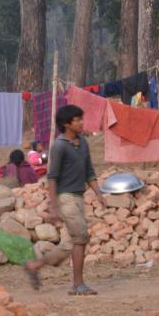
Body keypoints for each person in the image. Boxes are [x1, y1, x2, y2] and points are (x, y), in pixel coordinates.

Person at [23, 105, 100, 295]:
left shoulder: (82, 143)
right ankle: (78, 285)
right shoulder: (59, 146)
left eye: (82, 119)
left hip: (78, 197)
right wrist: (54, 206)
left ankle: (34, 266)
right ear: (67, 124)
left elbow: (89, 171)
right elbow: (53, 177)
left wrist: (98, 193)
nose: (82, 122)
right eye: (78, 120)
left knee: (70, 244)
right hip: (65, 198)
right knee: (81, 237)